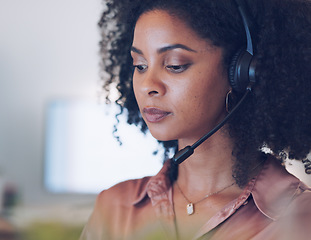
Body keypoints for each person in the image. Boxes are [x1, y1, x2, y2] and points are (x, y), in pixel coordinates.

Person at [80, 0, 311, 239]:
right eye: (140, 66)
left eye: (174, 65)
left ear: (242, 73)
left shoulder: (300, 220)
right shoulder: (115, 208)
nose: (148, 85)